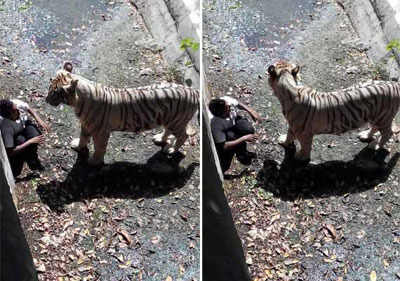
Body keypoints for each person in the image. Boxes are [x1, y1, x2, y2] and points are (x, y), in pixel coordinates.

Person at [209, 95, 262, 174]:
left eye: (229, 107)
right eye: (227, 110)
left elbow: (237, 103)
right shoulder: (215, 124)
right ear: (220, 115)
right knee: (231, 137)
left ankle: (241, 150)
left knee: (248, 128)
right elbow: (223, 146)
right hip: (227, 131)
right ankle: (238, 149)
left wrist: (251, 112)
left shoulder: (225, 102)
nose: (230, 109)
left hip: (234, 122)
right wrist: (244, 138)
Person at [0, 99, 49, 177]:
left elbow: (28, 107)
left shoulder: (15, 105)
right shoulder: (6, 128)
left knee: (35, 134)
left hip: (24, 125)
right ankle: (24, 155)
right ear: (9, 116)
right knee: (21, 140)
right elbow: (10, 151)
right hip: (16, 136)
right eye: (15, 111)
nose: (19, 110)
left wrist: (39, 120)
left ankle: (32, 158)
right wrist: (29, 142)